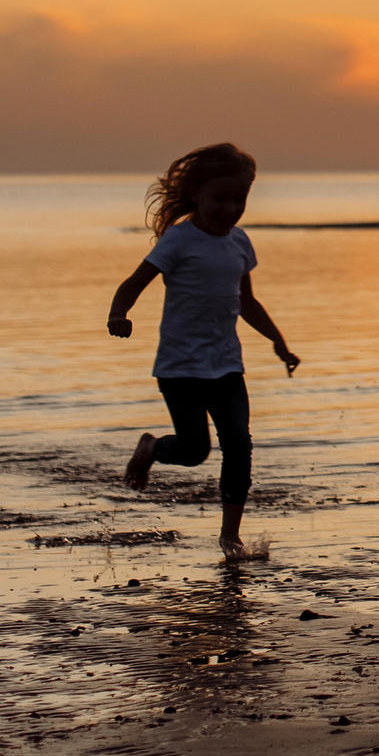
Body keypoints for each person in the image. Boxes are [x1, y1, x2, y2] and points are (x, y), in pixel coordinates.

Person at [107, 142, 300, 562]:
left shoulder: (241, 243)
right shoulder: (178, 240)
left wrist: (278, 341)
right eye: (220, 198)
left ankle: (230, 536)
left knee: (239, 444)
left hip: (227, 366)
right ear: (195, 193)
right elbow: (133, 283)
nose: (230, 208)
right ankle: (151, 448)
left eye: (239, 200)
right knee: (195, 452)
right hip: (179, 369)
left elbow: (245, 300)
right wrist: (118, 313)